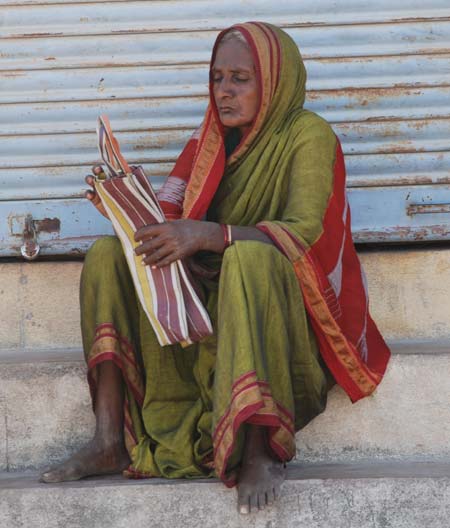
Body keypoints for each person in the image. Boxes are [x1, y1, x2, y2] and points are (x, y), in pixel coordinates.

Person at [40, 22, 390, 514]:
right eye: (217, 77)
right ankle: (107, 437)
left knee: (249, 256)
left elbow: (306, 232)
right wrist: (127, 211)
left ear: (274, 80)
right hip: (206, 300)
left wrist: (212, 235)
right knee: (106, 255)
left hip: (277, 316)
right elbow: (170, 221)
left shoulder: (309, 135)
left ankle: (259, 446)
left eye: (240, 79)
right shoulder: (208, 141)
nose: (223, 91)